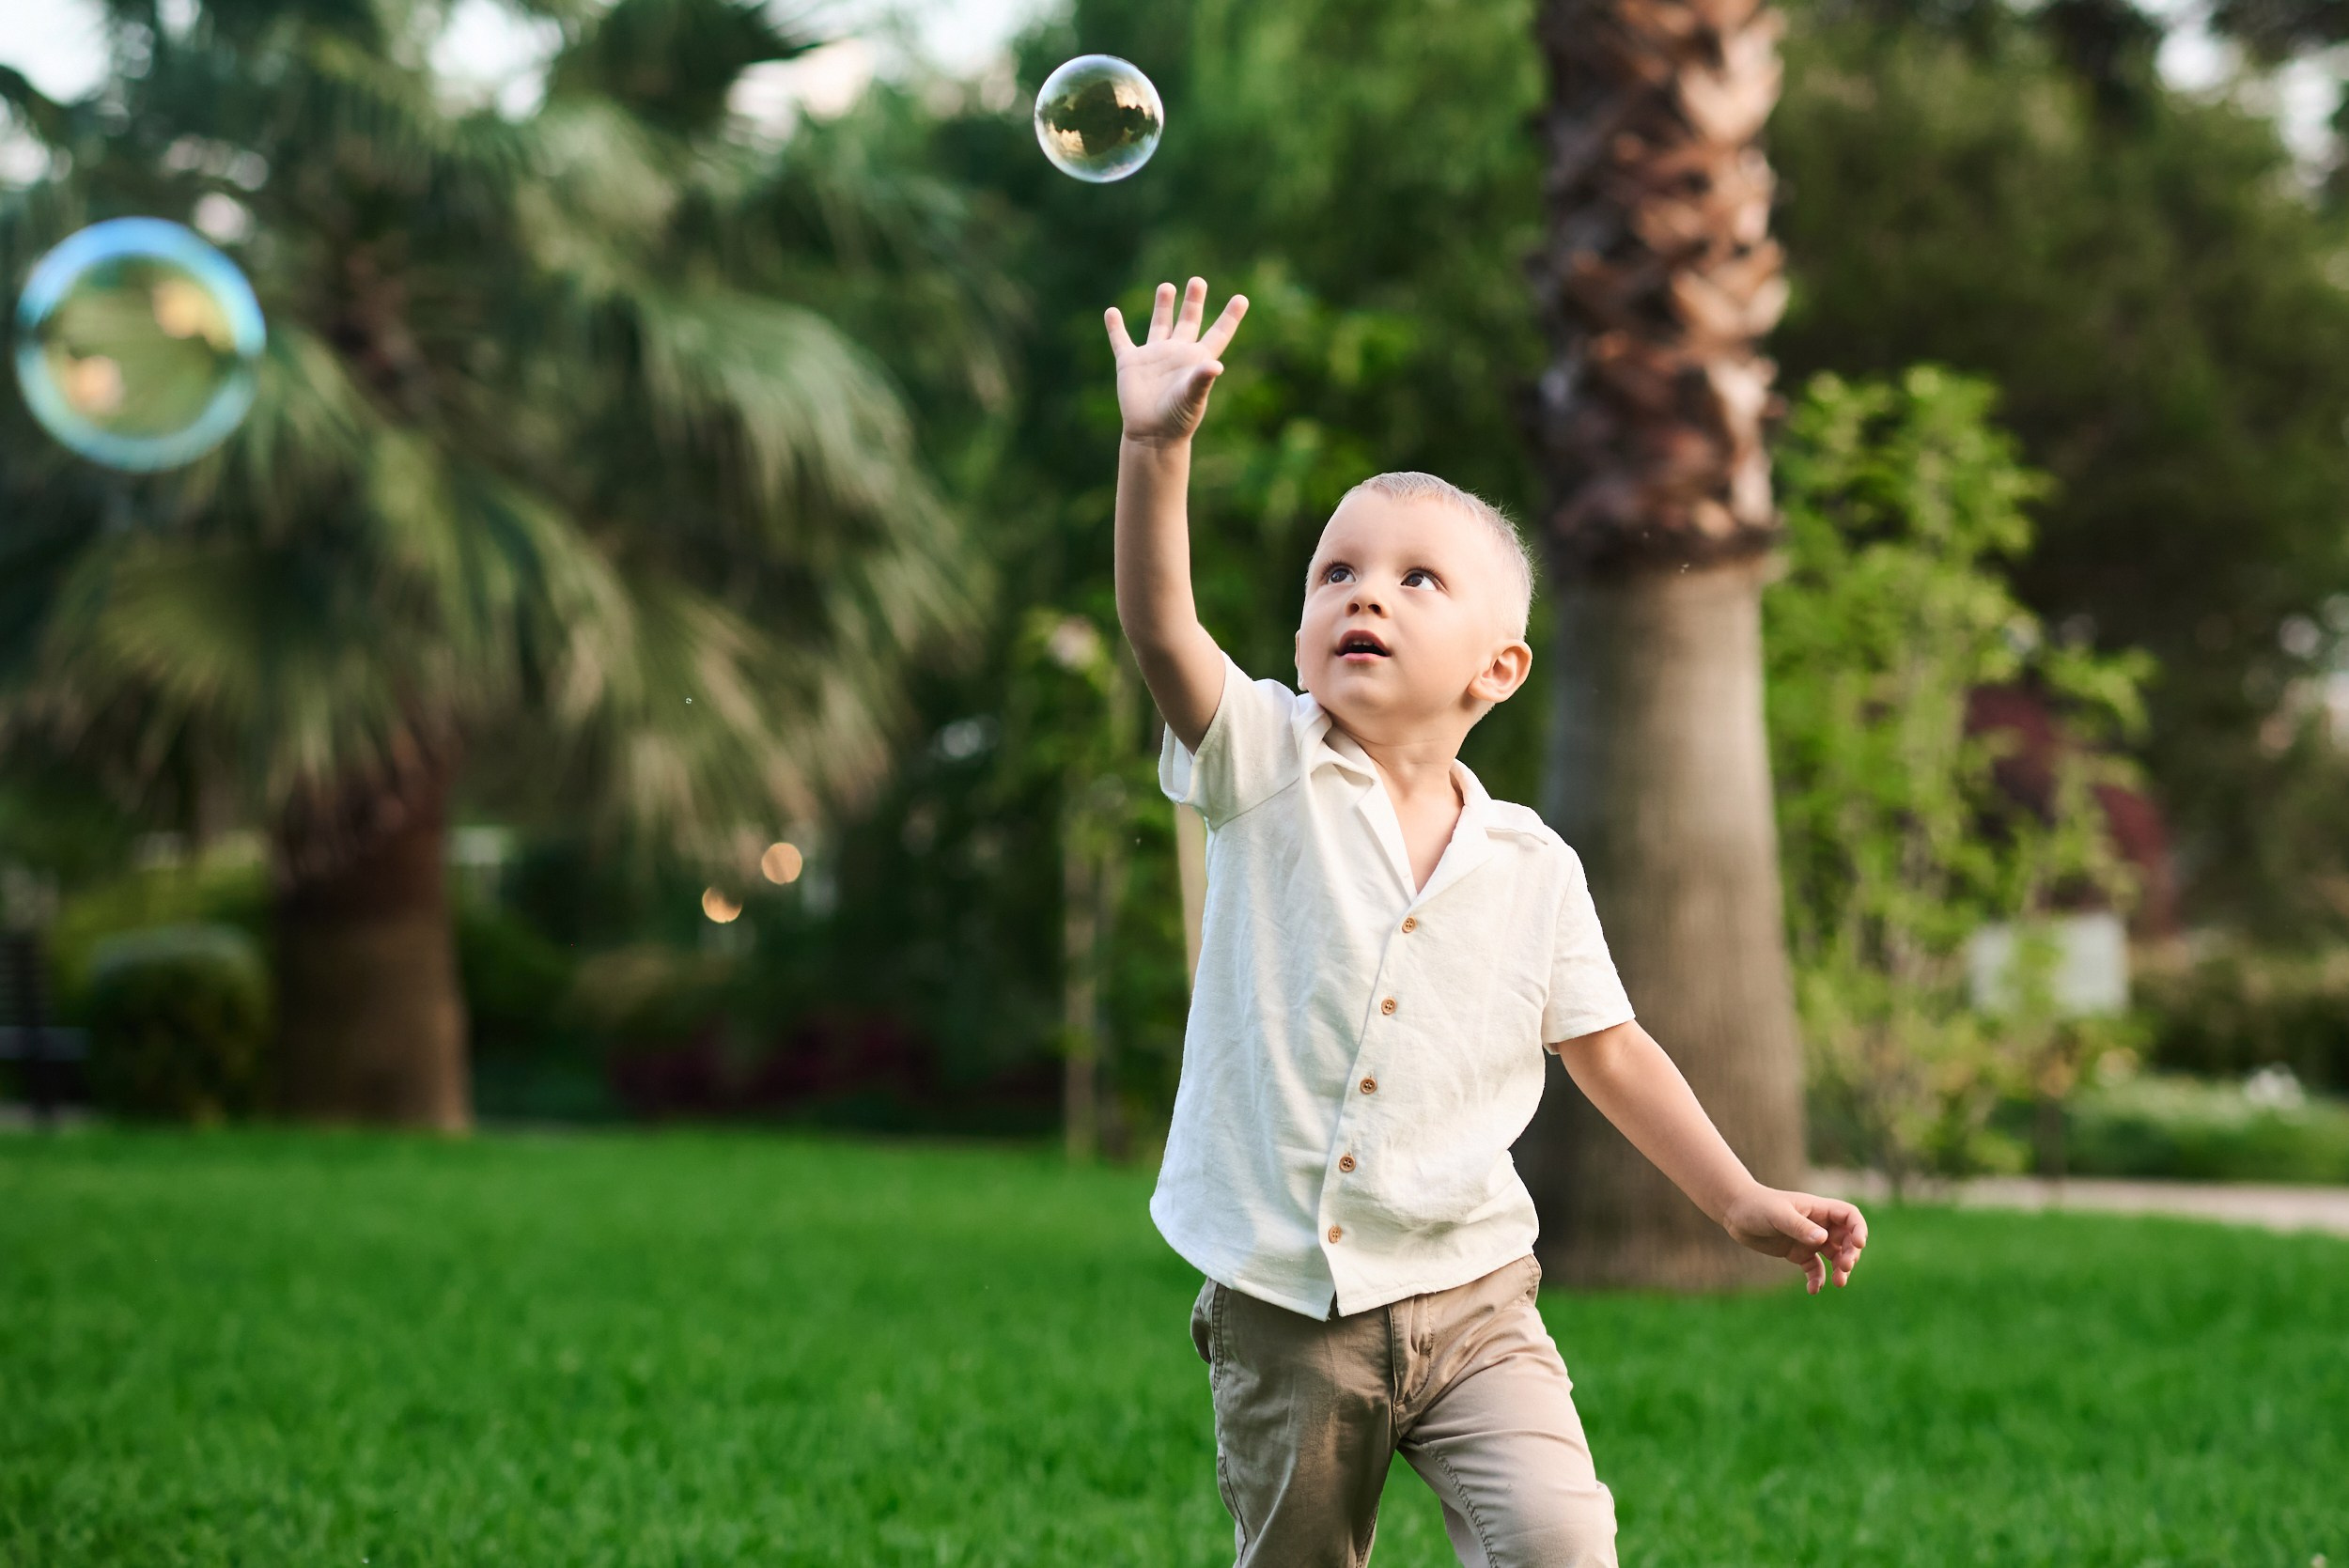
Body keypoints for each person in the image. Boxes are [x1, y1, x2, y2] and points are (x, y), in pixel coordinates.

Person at [1105, 277, 1869, 1568]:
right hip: (1289, 1306)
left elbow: (1610, 1048)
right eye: (1337, 573)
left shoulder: (1531, 864)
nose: (1367, 595)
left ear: (1497, 669)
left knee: (1561, 1538)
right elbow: (1159, 625)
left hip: (1474, 1294)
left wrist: (1736, 1199)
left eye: (1417, 578)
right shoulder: (1267, 764)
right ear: (1301, 631)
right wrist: (1154, 449)